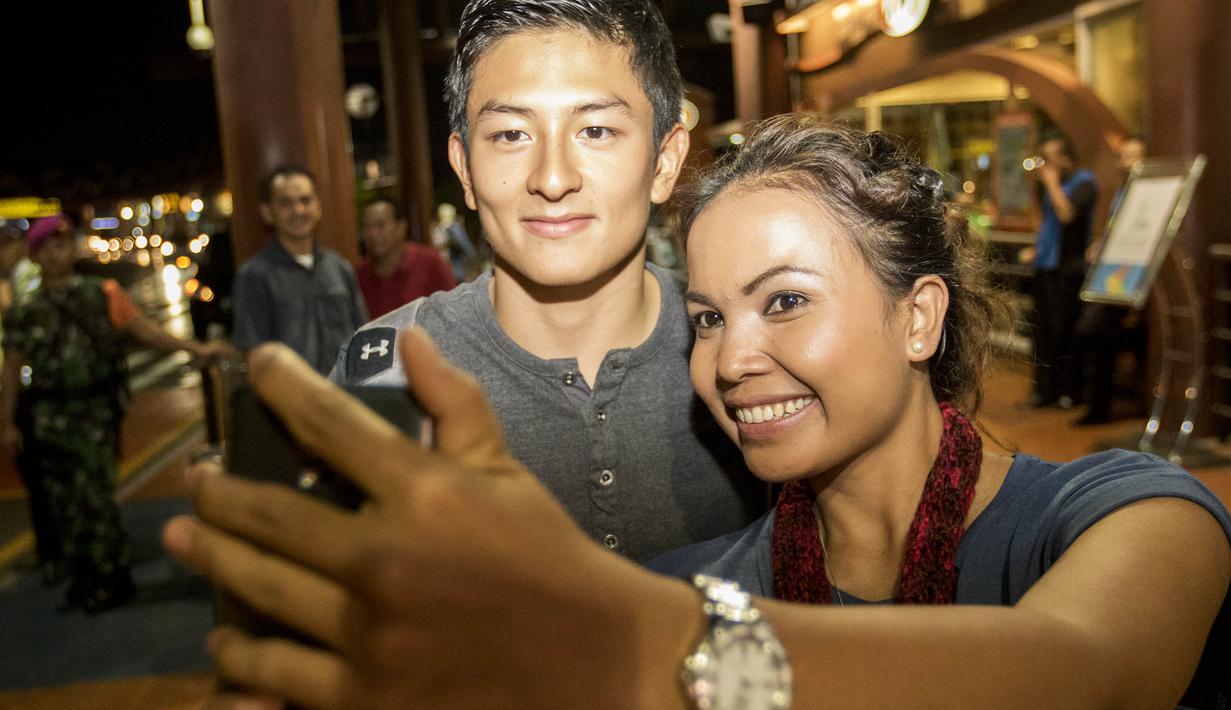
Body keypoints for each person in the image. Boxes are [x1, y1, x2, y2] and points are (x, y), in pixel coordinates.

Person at [165, 116, 1228, 709]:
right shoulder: (702, 587)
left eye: (786, 301)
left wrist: (616, 642)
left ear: (919, 317)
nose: (731, 357)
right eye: (708, 316)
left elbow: (1085, 670)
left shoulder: (1123, 512)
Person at [330, 0, 764, 563]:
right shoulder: (386, 378)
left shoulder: (750, 353)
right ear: (464, 169)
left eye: (596, 130)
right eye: (511, 135)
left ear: (663, 162)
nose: (552, 178)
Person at [1, 215, 228, 613]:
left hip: (93, 413)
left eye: (62, 243)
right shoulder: (26, 311)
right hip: (48, 417)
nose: (56, 252)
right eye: (47, 247)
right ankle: (86, 573)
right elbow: (12, 369)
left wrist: (193, 349)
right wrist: (7, 422)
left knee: (96, 495)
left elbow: (145, 331)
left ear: (73, 248)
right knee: (64, 499)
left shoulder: (103, 293)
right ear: (35, 258)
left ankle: (111, 575)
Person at [231, 165, 368, 375]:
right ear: (267, 212)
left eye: (305, 200)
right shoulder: (254, 275)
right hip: (292, 403)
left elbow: (363, 334)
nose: (298, 211)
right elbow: (255, 356)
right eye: (286, 203)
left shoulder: (339, 267)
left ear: (318, 206)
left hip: (348, 397)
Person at [1019, 134, 1099, 409]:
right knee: (1041, 332)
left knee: (1065, 331)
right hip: (1045, 266)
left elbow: (1067, 215)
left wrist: (1052, 184)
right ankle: (1044, 391)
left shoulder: (1085, 183)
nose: (1047, 166)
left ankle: (1068, 392)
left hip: (1069, 269)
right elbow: (1041, 221)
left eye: (1051, 159)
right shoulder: (1051, 185)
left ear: (1066, 159)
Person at [1072, 136, 1147, 425]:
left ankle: (1107, 406)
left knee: (1097, 330)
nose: (1127, 163)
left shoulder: (1145, 192)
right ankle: (1099, 405)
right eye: (1124, 157)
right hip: (1116, 277)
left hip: (1137, 281)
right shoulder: (1120, 192)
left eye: (1133, 156)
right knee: (1092, 331)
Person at [356, 198, 455, 319]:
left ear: (401, 227)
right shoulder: (359, 274)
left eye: (380, 225)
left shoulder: (430, 262)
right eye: (367, 227)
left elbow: (452, 313)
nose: (373, 234)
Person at [429, 202, 481, 283]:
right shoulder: (442, 228)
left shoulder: (452, 228)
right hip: (450, 270)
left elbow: (466, 247)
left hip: (454, 269)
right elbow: (467, 248)